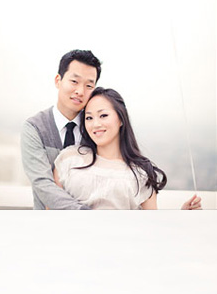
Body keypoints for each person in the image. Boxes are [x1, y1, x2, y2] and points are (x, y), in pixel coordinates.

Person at [53, 88, 202, 210]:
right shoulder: (68, 159)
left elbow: (153, 228)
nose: (95, 124)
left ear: (121, 119)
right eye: (89, 117)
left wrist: (183, 215)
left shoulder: (141, 173)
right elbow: (50, 212)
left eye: (103, 115)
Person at [21, 49, 102, 209]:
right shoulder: (34, 127)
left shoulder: (96, 129)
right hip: (48, 224)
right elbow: (42, 183)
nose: (80, 91)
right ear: (58, 80)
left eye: (89, 85)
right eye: (74, 81)